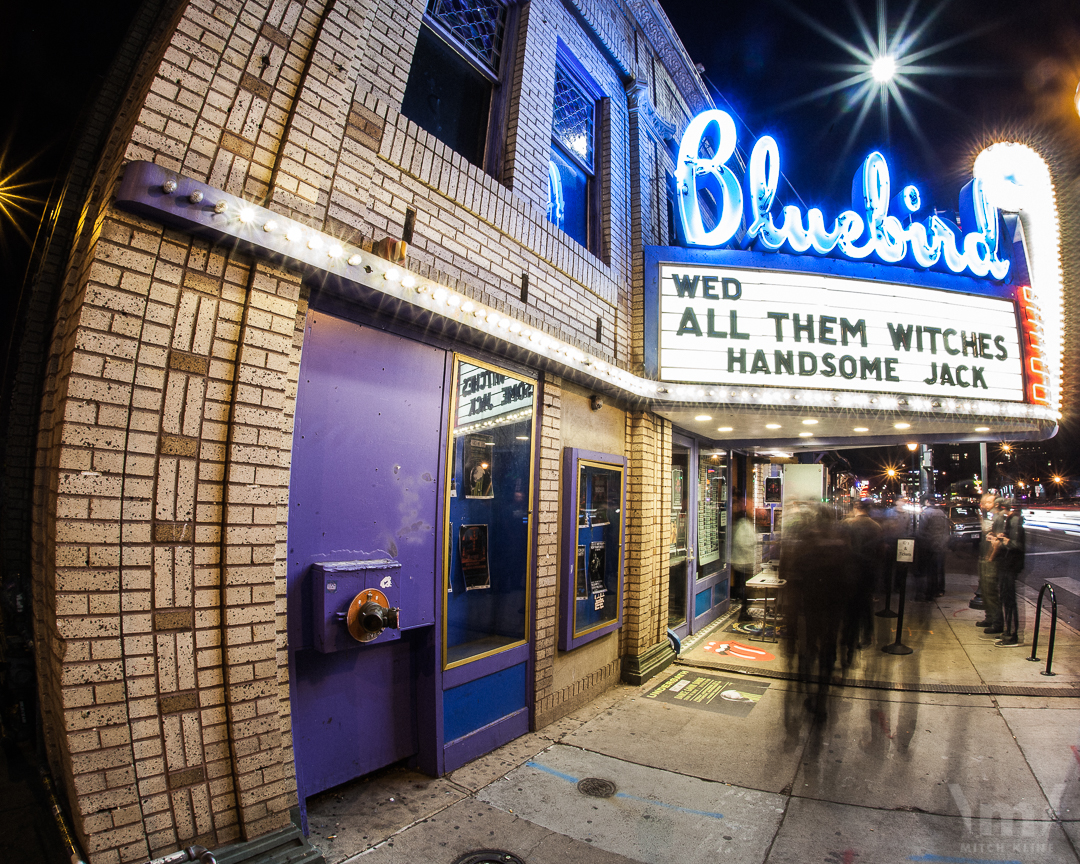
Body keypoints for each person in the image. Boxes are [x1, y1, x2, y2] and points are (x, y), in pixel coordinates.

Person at [989, 499, 1025, 646]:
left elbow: (1016, 544)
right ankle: (1008, 632)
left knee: (1009, 600)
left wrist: (1002, 541)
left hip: (1010, 564)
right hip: (1007, 563)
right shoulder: (1010, 519)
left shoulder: (1014, 520)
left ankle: (1012, 635)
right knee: (1006, 598)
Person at [976, 494, 1005, 633]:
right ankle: (989, 617)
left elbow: (998, 542)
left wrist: (990, 558)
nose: (986, 504)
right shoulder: (988, 516)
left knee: (991, 591)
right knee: (985, 590)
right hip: (984, 557)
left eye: (989, 502)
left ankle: (997, 622)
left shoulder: (997, 517)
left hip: (990, 560)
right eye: (984, 502)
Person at [916, 496, 949, 599]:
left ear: (927, 501)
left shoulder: (926, 513)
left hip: (930, 544)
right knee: (939, 568)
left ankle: (930, 590)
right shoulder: (942, 513)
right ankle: (940, 589)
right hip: (941, 544)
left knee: (930, 569)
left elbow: (922, 530)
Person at [730, 499, 757, 622]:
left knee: (745, 589)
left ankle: (744, 610)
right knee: (745, 589)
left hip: (744, 561)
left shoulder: (745, 524)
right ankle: (743, 612)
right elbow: (741, 542)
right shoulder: (743, 524)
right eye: (751, 509)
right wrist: (751, 545)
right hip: (742, 562)